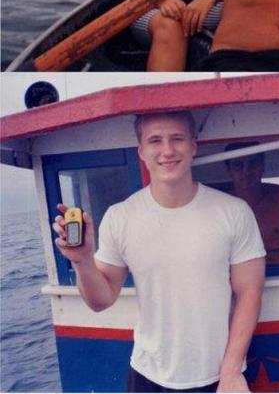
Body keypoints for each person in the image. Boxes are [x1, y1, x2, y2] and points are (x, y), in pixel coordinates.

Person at [53, 111, 265, 393]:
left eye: (177, 138)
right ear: (141, 151)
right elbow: (100, 301)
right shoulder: (120, 217)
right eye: (155, 140)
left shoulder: (234, 212)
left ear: (193, 146)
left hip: (220, 376)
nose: (167, 150)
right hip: (147, 375)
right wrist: (82, 260)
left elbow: (249, 291)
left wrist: (230, 370)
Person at [224, 142, 279, 264]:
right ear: (228, 170)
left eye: (253, 163)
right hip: (234, 280)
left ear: (262, 165)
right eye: (238, 165)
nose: (246, 171)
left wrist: (258, 259)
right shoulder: (220, 206)